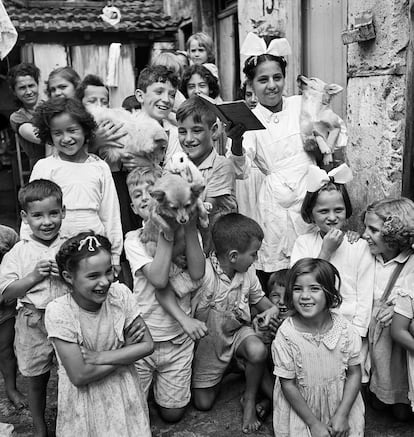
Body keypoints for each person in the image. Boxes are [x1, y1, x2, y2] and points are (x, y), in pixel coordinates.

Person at [228, 33, 347, 290]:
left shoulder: (300, 105)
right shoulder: (248, 119)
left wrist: (323, 136)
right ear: (251, 84)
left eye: (277, 77)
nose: (271, 85)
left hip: (309, 189)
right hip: (276, 201)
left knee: (315, 259)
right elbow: (241, 169)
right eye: (262, 80)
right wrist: (236, 141)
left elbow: (334, 132)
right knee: (281, 273)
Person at [45, 232, 153, 436]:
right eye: (93, 276)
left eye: (109, 271)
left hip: (124, 393)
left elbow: (147, 345)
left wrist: (101, 357)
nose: (105, 281)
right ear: (69, 277)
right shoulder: (59, 311)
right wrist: (126, 351)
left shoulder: (120, 295)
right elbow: (79, 375)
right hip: (84, 403)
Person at [124, 166, 207, 423]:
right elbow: (159, 280)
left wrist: (190, 225)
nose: (145, 198)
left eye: (151, 191)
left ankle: (160, 390)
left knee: (173, 414)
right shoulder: (134, 240)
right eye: (138, 194)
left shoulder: (187, 226)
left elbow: (196, 273)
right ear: (131, 205)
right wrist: (166, 231)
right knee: (133, 411)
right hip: (144, 336)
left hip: (178, 340)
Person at [191, 212, 279, 434]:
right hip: (209, 345)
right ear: (233, 256)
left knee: (258, 350)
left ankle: (249, 400)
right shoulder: (205, 274)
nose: (255, 260)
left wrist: (272, 311)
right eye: (253, 254)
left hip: (237, 334)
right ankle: (233, 367)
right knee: (203, 403)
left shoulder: (247, 274)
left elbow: (264, 303)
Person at [0, 179, 69, 437]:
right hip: (31, 320)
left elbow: (86, 284)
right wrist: (32, 278)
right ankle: (40, 425)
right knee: (36, 378)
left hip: (67, 319)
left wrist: (64, 275)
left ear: (63, 211)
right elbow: (6, 294)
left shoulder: (70, 246)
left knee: (70, 376)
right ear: (25, 217)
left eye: (53, 213)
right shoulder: (17, 252)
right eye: (38, 216)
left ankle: (68, 420)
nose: (47, 221)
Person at [272, 258, 364, 437]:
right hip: (302, 413)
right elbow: (288, 384)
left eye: (314, 288)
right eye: (298, 289)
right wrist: (314, 424)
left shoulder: (345, 330)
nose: (305, 296)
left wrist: (342, 415)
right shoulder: (286, 335)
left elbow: (354, 373)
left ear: (329, 292)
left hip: (340, 407)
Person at [28, 97, 123, 272]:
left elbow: (110, 213)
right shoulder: (45, 167)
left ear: (85, 130)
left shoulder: (99, 167)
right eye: (58, 133)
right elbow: (31, 211)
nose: (66, 138)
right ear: (49, 134)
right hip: (54, 251)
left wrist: (115, 255)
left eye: (72, 130)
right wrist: (28, 250)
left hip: (94, 249)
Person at [291, 164, 374, 340]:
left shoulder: (359, 246)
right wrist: (325, 252)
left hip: (350, 329)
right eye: (323, 211)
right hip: (311, 328)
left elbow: (365, 295)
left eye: (338, 210)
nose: (332, 217)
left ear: (347, 210)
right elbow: (299, 284)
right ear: (311, 214)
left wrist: (358, 332)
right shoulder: (303, 244)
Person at [362, 197, 414, 420]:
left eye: (373, 229)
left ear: (394, 235)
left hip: (393, 335)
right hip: (371, 328)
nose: (365, 234)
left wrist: (396, 310)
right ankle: (379, 393)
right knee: (378, 396)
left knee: (400, 405)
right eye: (364, 227)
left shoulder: (410, 263)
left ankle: (400, 398)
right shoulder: (367, 255)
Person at [176, 96, 237, 254]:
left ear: (214, 130)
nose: (188, 139)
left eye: (197, 130)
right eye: (182, 132)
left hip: (218, 253)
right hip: (188, 251)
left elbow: (203, 208)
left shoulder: (222, 166)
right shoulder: (177, 165)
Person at [132, 65, 182, 169]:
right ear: (140, 96)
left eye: (172, 95)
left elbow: (173, 174)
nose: (166, 100)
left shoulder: (173, 135)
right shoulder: (125, 128)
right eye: (159, 92)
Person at [0, 225, 25, 409]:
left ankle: (11, 389)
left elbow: (21, 261)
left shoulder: (7, 235)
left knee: (5, 350)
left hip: (4, 305)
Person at [232, 80, 263, 221]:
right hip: (245, 180)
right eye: (248, 95)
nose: (253, 100)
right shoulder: (237, 124)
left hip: (264, 179)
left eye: (256, 95)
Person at [8, 62, 43, 169]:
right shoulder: (17, 117)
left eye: (31, 86)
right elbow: (39, 137)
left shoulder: (51, 107)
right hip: (40, 168)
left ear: (37, 85)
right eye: (22, 88)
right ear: (14, 92)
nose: (28, 92)